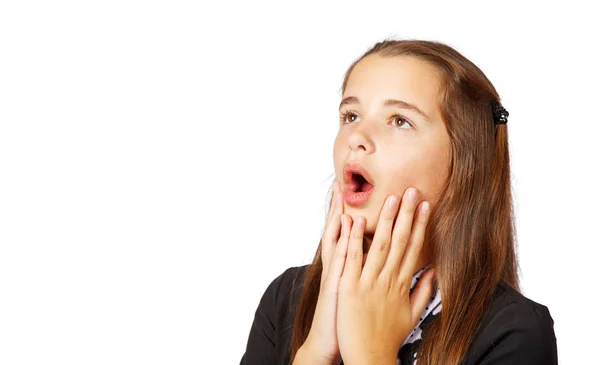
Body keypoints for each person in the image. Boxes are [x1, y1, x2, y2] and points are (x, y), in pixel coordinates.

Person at [239, 39, 558, 365]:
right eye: (350, 115)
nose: (357, 137)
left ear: (466, 162)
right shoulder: (285, 298)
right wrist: (316, 352)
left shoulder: (514, 331)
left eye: (400, 120)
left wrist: (371, 354)